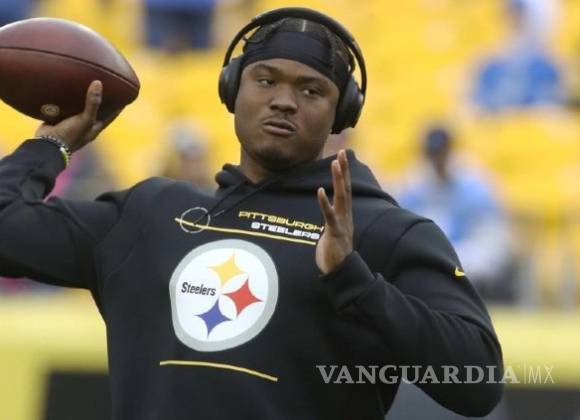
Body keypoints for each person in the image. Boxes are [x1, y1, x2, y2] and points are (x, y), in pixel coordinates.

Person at [0, 8, 503, 419]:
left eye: (311, 90)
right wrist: (51, 147)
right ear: (231, 90)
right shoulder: (148, 214)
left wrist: (355, 281)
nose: (284, 101)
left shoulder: (379, 230)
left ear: (341, 113)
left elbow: (476, 381)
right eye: (265, 80)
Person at [398, 125, 514, 302]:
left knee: (470, 262)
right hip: (427, 259)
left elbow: (490, 237)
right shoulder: (412, 187)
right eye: (434, 155)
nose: (438, 161)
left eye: (442, 154)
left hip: (465, 258)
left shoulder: (475, 185)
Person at [471, 0, 563, 113]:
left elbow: (549, 109)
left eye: (520, 17)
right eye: (511, 16)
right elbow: (475, 106)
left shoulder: (548, 68)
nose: (513, 23)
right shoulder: (489, 66)